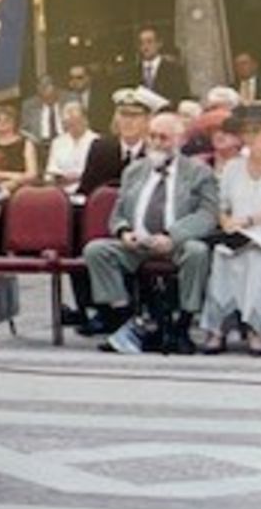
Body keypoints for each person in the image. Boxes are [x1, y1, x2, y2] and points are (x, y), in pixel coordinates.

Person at [80, 110, 220, 355]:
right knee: (96, 251)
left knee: (197, 252)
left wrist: (172, 235)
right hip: (138, 242)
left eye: (163, 138)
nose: (156, 143)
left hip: (177, 242)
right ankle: (128, 319)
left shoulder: (199, 173)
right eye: (152, 136)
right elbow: (118, 212)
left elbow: (207, 215)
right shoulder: (134, 171)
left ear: (181, 140)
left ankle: (182, 325)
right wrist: (124, 232)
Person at [198, 104, 261, 355]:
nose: (250, 138)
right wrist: (227, 223)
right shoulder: (233, 167)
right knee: (224, 255)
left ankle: (259, 328)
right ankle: (217, 328)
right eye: (246, 132)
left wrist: (251, 220)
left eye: (257, 131)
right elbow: (222, 207)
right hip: (238, 235)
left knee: (256, 258)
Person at [78, 86, 161, 198]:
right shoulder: (101, 149)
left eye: (134, 116)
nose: (127, 121)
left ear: (148, 120)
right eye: (123, 115)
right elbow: (86, 190)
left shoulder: (154, 153)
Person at [0, 103, 38, 202]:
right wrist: (13, 176)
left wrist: (15, 182)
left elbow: (32, 174)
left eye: (6, 120)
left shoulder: (26, 143)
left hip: (21, 189)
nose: (2, 123)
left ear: (14, 123)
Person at [120, 27, 188, 107]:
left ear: (159, 43)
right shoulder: (132, 72)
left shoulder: (174, 69)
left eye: (149, 42)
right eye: (142, 43)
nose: (145, 47)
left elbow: (183, 96)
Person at [43, 102, 97, 198]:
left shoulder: (97, 141)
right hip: (61, 194)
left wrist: (77, 177)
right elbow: (50, 171)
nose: (73, 126)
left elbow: (98, 173)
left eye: (76, 121)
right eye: (69, 123)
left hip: (88, 193)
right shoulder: (57, 142)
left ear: (85, 120)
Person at [20, 76, 64, 146]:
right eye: (41, 86)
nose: (43, 89)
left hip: (65, 142)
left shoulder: (68, 100)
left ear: (56, 88)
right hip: (41, 145)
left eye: (47, 85)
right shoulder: (29, 106)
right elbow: (24, 129)